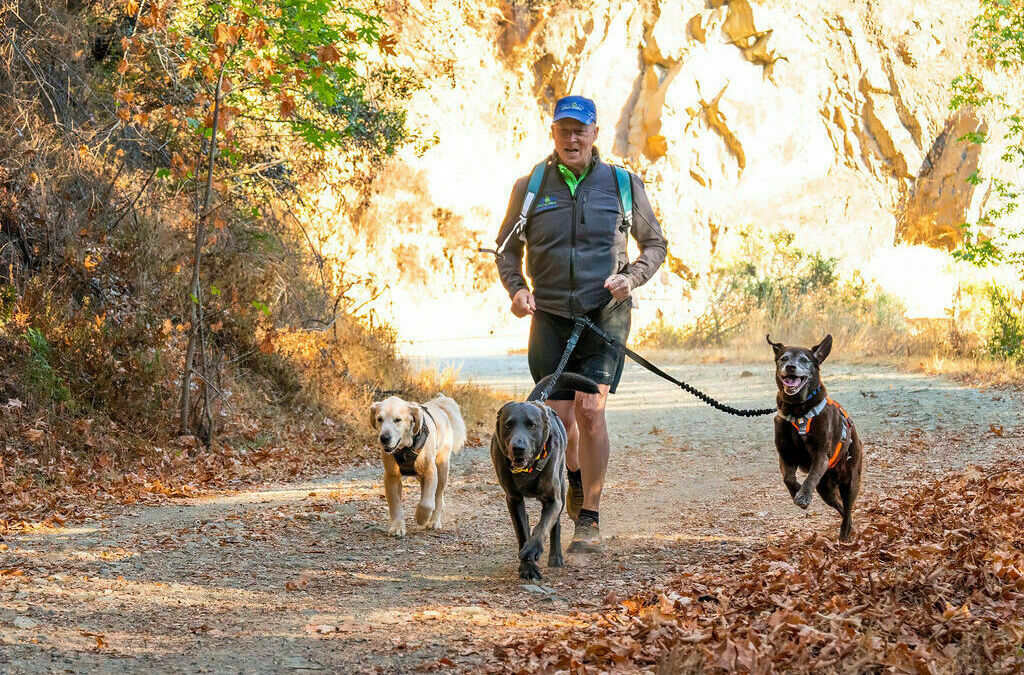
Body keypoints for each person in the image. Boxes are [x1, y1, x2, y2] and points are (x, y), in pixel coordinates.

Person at [494, 95, 667, 552]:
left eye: (580, 130)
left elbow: (654, 245)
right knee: (560, 420)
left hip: (604, 315)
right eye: (564, 129)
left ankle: (588, 516)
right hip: (549, 316)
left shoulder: (623, 184)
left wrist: (631, 278)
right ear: (553, 132)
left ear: (595, 133)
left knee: (591, 412)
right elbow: (505, 250)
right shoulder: (530, 186)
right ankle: (571, 478)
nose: (572, 138)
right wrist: (516, 289)